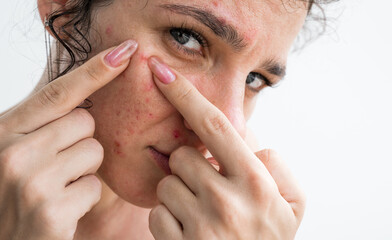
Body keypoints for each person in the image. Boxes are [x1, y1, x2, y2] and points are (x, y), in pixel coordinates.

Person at [0, 0, 329, 239]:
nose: (230, 124)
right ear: (65, 6)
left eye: (254, 79)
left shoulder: (254, 222)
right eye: (186, 38)